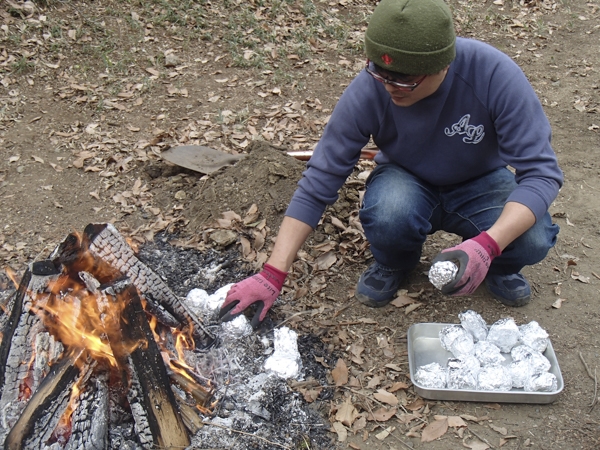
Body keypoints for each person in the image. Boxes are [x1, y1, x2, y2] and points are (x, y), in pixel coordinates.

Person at [219, 0, 563, 328]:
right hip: (407, 175)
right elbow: (320, 178)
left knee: (532, 238)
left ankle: (497, 265)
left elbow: (541, 174)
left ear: (443, 65)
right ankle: (396, 263)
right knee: (388, 214)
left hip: (481, 180)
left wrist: (489, 244)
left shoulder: (493, 75)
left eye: (404, 79)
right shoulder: (373, 88)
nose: (390, 87)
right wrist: (273, 273)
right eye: (380, 72)